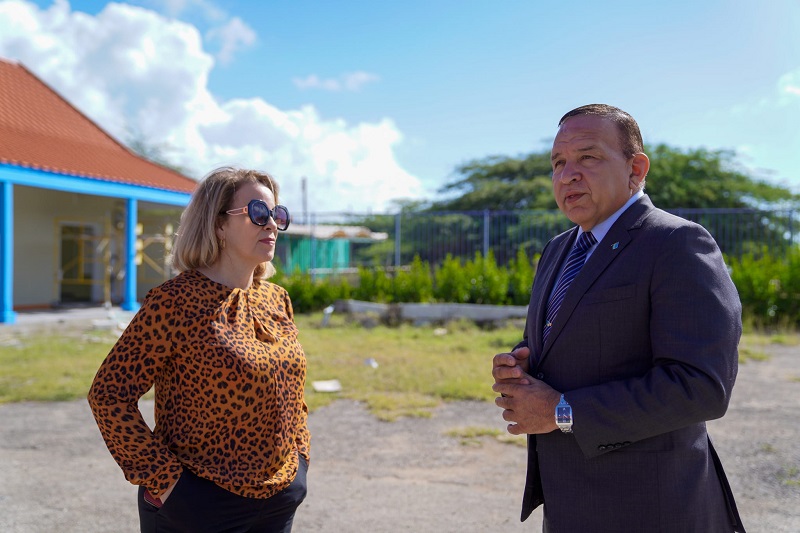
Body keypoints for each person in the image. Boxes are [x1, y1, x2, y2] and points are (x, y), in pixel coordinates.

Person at [492, 104, 746, 532]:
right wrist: (521, 366)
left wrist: (562, 411)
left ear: (636, 168)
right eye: (558, 162)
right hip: (570, 503)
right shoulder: (557, 250)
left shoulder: (676, 243)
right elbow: (567, 342)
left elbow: (702, 386)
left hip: (651, 507)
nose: (567, 175)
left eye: (588, 157)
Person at [88, 166, 310, 533]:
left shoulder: (277, 299)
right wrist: (167, 483)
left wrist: (300, 458)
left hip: (278, 500)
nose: (272, 224)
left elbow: (292, 391)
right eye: (258, 213)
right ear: (218, 224)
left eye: (277, 214)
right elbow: (109, 395)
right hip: (197, 508)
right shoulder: (174, 302)